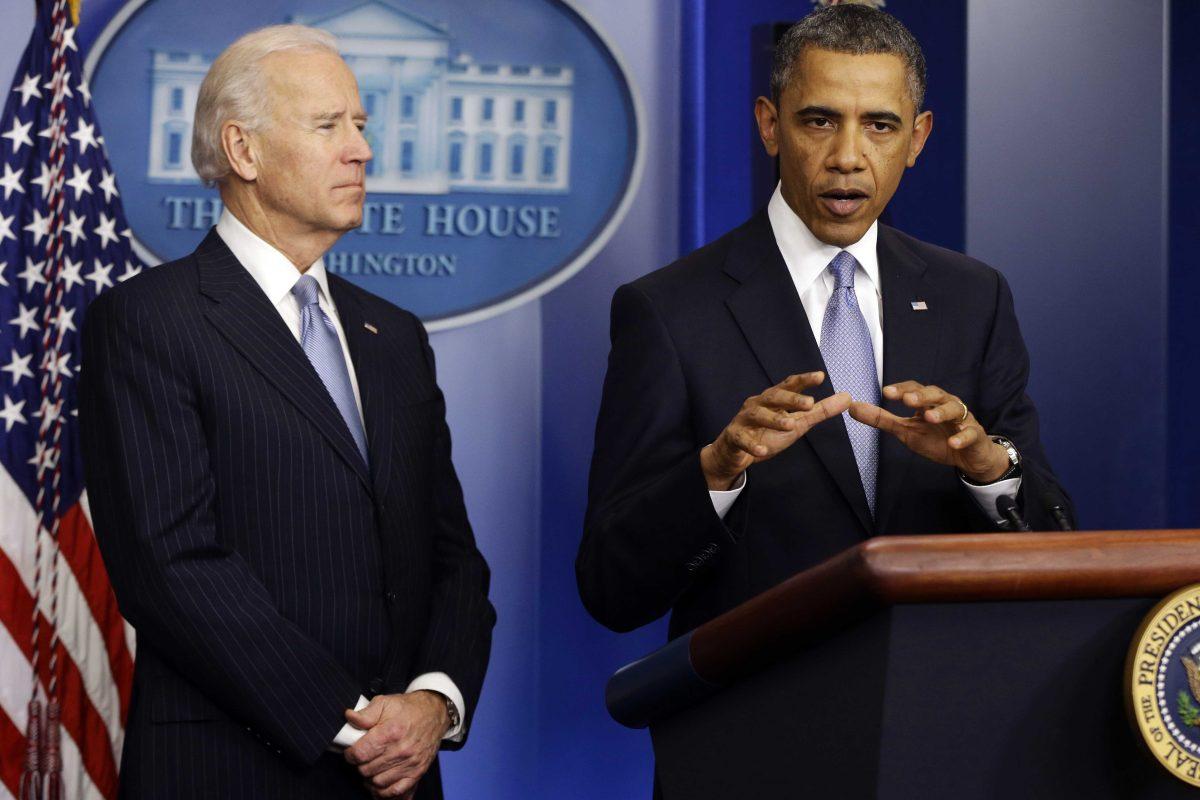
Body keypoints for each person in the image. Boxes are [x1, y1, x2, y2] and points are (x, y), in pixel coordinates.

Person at [79, 25, 494, 800]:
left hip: (402, 777)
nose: (362, 150)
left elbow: (452, 557)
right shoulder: (148, 322)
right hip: (230, 771)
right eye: (328, 125)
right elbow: (171, 567)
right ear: (243, 151)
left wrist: (435, 702)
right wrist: (353, 726)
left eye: (362, 126)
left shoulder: (394, 336)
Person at [577, 4, 1073, 640]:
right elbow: (610, 587)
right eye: (819, 120)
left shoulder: (973, 297)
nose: (848, 156)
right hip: (753, 712)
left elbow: (1055, 533)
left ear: (918, 139)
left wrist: (986, 467)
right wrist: (715, 475)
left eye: (880, 127)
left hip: (936, 706)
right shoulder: (669, 310)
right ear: (770, 125)